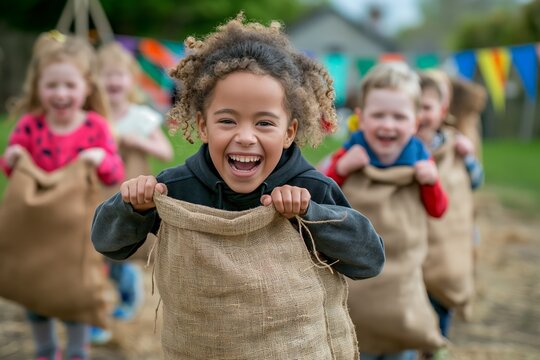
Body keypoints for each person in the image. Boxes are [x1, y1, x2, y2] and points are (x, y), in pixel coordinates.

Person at [91, 13, 385, 355]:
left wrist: (310, 213)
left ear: (289, 132)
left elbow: (368, 260)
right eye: (227, 120)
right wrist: (131, 207)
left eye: (264, 123)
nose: (245, 137)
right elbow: (107, 244)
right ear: (203, 126)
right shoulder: (177, 189)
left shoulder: (310, 188)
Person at [0, 32, 124, 360]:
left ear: (87, 87)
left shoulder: (95, 127)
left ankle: (76, 351)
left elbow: (115, 171)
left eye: (69, 85)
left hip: (76, 232)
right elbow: (13, 172)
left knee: (76, 294)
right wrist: (11, 157)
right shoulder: (30, 126)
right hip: (37, 230)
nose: (60, 93)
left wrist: (100, 158)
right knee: (36, 291)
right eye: (51, 85)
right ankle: (45, 349)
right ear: (38, 86)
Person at [324, 62, 448, 360]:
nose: (387, 125)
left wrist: (431, 182)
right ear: (361, 118)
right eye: (378, 115)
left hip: (400, 279)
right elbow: (323, 192)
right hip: (358, 281)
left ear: (416, 122)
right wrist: (341, 168)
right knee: (354, 341)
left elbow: (438, 210)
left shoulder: (420, 158)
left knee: (400, 343)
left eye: (399, 117)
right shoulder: (352, 151)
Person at [89, 42, 174, 345]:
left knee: (119, 250)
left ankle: (128, 290)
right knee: (93, 249)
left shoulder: (140, 118)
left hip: (129, 193)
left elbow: (165, 151)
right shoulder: (92, 116)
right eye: (105, 75)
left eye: (119, 75)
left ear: (131, 80)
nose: (113, 81)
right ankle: (95, 314)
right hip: (96, 193)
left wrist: (134, 140)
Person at [417, 72, 484, 360]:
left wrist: (468, 158)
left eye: (427, 107)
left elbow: (476, 182)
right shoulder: (399, 145)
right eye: (414, 107)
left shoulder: (454, 145)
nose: (421, 115)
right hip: (413, 248)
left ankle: (438, 346)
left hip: (444, 247)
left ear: (443, 111)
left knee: (439, 303)